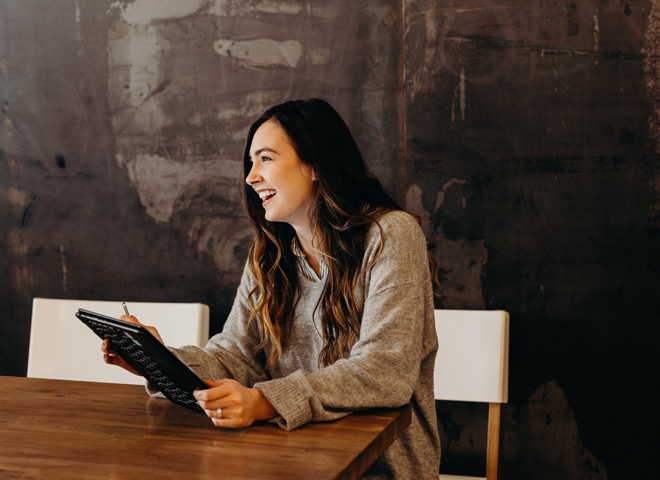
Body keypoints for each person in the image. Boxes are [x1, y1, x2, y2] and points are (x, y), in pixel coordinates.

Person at [102, 99, 441, 479]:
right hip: (286, 460)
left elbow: (384, 372)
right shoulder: (269, 256)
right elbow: (236, 356)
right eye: (250, 162)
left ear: (314, 164)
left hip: (377, 469)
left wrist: (265, 402)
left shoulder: (390, 235)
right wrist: (160, 361)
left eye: (265, 158)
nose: (250, 177)